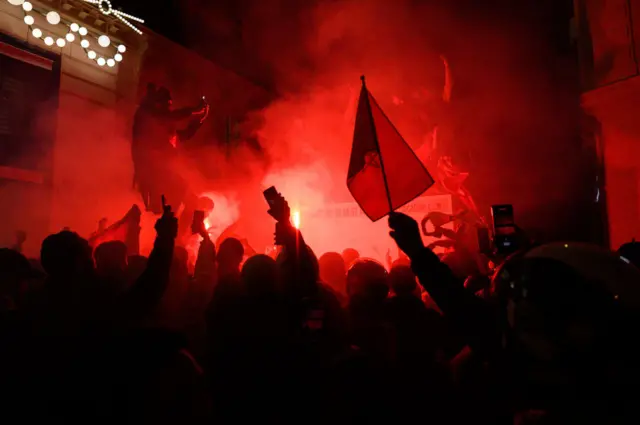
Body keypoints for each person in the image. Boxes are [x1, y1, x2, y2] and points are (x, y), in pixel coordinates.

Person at [131, 83, 209, 237]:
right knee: (160, 209)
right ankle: (166, 235)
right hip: (152, 173)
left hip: (163, 172)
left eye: (170, 105)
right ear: (157, 103)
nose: (169, 108)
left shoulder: (163, 123)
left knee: (187, 199)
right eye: (166, 104)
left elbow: (182, 135)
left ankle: (178, 236)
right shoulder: (147, 115)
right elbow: (170, 117)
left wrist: (198, 121)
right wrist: (195, 110)